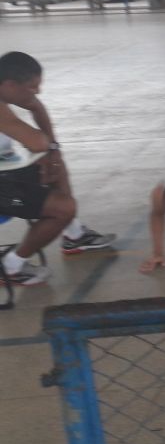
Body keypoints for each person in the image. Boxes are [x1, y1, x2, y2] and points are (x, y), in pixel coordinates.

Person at [0, 52, 116, 286]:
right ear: (10, 85)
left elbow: (36, 107)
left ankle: (73, 233)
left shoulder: (6, 92)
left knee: (55, 164)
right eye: (32, 87)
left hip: (6, 170)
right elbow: (36, 142)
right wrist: (46, 147)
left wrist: (53, 150)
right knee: (64, 208)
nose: (37, 92)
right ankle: (10, 266)